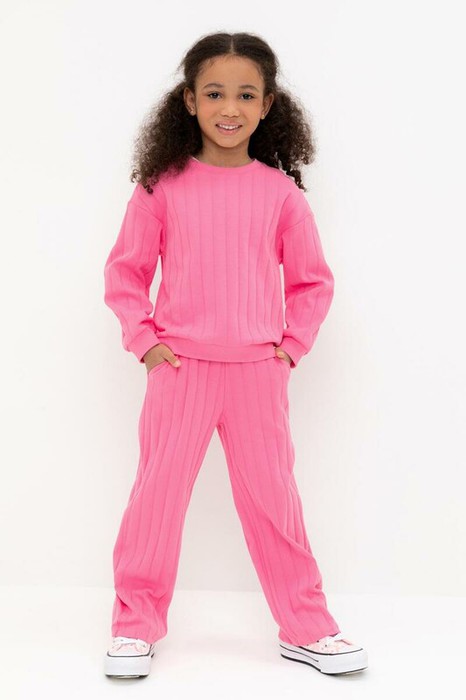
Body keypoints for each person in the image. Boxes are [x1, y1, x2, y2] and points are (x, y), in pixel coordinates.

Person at [102, 31, 368, 678]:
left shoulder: (281, 195)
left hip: (256, 373)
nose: (230, 107)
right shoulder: (161, 188)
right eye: (215, 93)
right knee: (157, 499)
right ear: (190, 101)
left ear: (268, 104)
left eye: (246, 95)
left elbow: (312, 283)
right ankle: (134, 626)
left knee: (275, 502)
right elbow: (126, 274)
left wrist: (289, 349)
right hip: (180, 370)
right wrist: (147, 344)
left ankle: (306, 626)